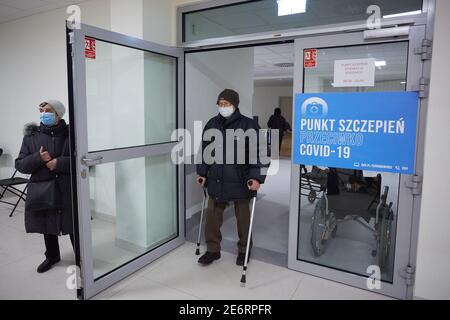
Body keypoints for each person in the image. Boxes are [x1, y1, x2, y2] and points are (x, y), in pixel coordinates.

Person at [196, 89, 269, 266]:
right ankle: (213, 250)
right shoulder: (212, 124)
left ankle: (244, 250)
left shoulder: (248, 125)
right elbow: (205, 150)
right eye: (220, 104)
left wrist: (256, 178)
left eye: (226, 104)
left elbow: (261, 154)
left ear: (235, 105)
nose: (223, 107)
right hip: (216, 179)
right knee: (212, 217)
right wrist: (202, 172)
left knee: (243, 219)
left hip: (241, 180)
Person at [15, 100, 74, 273]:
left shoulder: (73, 134)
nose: (43, 113)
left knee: (73, 224)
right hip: (43, 189)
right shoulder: (31, 137)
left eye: (48, 110)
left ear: (58, 114)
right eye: (41, 110)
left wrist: (60, 163)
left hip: (68, 188)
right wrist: (38, 158)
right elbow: (20, 164)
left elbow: (84, 161)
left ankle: (81, 257)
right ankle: (52, 256)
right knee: (48, 224)